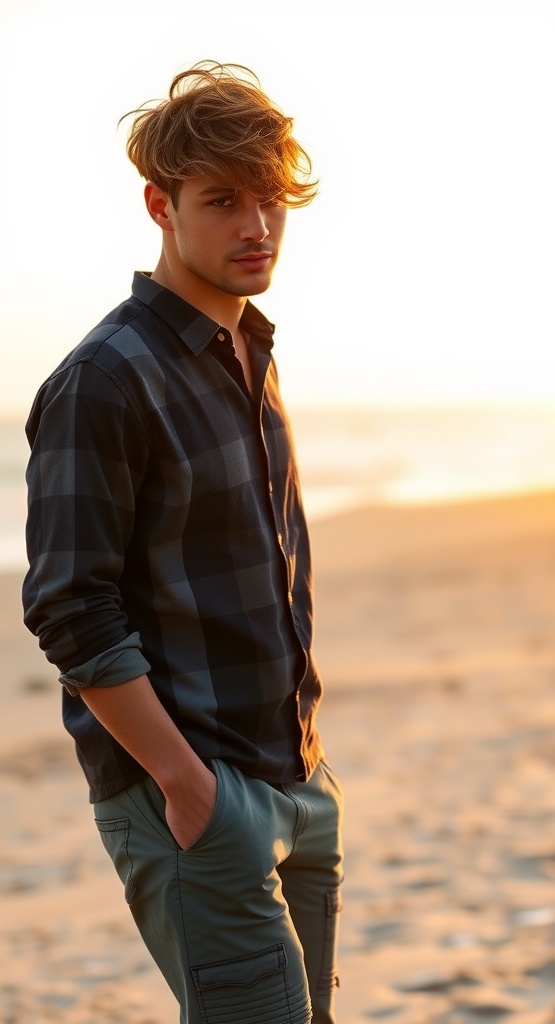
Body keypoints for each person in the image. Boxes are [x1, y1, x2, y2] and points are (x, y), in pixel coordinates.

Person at [22, 61, 343, 1024]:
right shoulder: (105, 379)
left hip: (297, 779)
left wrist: (309, 767)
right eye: (223, 201)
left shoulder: (249, 349)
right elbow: (70, 608)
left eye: (270, 199)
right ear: (160, 206)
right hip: (196, 795)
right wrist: (182, 781)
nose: (257, 226)